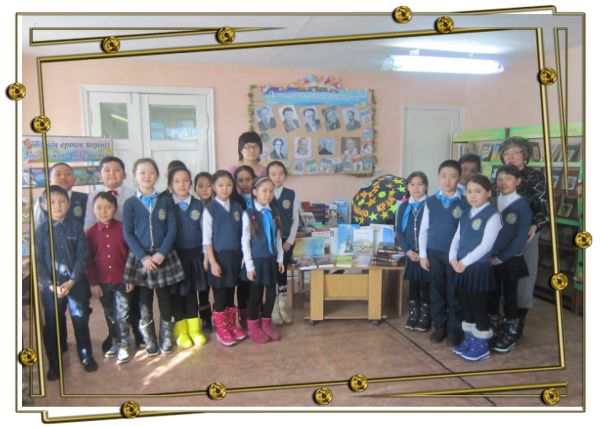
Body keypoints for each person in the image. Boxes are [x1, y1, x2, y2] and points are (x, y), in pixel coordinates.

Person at [122, 158, 185, 356]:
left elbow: (172, 228)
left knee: (165, 297)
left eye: (151, 172)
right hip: (141, 259)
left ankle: (166, 335)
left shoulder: (165, 201)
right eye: (142, 172)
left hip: (162, 257)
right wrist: (143, 257)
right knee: (144, 300)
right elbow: (128, 233)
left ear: (157, 176)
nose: (147, 176)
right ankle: (149, 338)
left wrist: (162, 252)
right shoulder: (130, 204)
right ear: (135, 176)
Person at [36, 186, 97, 381]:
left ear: (69, 204)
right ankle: (54, 364)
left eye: (62, 201)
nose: (57, 206)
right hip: (51, 288)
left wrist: (71, 282)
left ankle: (86, 356)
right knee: (52, 325)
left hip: (76, 284)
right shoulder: (40, 231)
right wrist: (50, 285)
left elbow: (82, 256)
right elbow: (38, 261)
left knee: (80, 321)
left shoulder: (76, 227)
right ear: (44, 205)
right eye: (52, 202)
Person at [82, 155, 142, 353]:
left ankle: (137, 333)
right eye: (106, 170)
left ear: (124, 174)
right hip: (104, 256)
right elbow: (89, 224)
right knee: (111, 307)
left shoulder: (133, 194)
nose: (111, 173)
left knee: (131, 302)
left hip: (126, 253)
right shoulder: (93, 197)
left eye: (116, 170)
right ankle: (115, 335)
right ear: (100, 174)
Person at [497, 136, 548, 337]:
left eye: (515, 152)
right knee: (502, 275)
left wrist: (535, 225)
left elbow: (543, 208)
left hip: (526, 234)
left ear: (525, 155)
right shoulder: (499, 174)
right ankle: (505, 316)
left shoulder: (535, 176)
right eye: (506, 153)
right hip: (502, 234)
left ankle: (518, 321)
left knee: (523, 277)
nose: (510, 156)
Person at [449, 175, 502, 361]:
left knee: (479, 308)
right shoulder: (466, 213)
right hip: (461, 268)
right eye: (469, 191)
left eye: (478, 191)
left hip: (478, 269)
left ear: (488, 193)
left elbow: (486, 246)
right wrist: (452, 258)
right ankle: (470, 340)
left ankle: (482, 346)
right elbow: (457, 237)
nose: (472, 196)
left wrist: (463, 262)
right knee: (467, 307)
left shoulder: (493, 215)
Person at [418, 160, 468, 346]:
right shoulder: (430, 201)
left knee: (454, 293)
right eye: (444, 176)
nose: (447, 181)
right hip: (434, 253)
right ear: (438, 178)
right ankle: (439, 327)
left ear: (459, 178)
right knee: (437, 291)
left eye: (453, 176)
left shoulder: (465, 202)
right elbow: (424, 229)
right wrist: (423, 255)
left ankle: (455, 330)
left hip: (455, 256)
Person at [85, 191, 132, 364]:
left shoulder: (123, 229)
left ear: (115, 209)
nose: (104, 211)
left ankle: (124, 345)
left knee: (122, 314)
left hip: (122, 280)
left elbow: (131, 255)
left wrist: (130, 278)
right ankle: (115, 341)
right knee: (110, 314)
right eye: (99, 207)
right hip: (102, 282)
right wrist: (93, 283)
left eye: (108, 207)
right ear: (93, 209)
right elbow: (88, 260)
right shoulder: (90, 233)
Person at [490, 165, 532, 353]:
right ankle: (492, 327)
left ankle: (511, 331)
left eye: (508, 178)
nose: (503, 182)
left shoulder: (522, 205)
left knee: (509, 296)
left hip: (510, 260)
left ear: (518, 181)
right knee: (492, 293)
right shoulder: (492, 201)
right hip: (490, 259)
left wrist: (502, 258)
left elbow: (520, 238)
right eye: (500, 179)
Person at [202, 170, 247, 346]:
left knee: (231, 293)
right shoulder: (210, 209)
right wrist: (212, 262)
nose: (225, 188)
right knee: (220, 295)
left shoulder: (237, 207)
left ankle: (231, 326)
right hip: (219, 258)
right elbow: (207, 240)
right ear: (214, 187)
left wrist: (244, 256)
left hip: (235, 257)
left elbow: (244, 234)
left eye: (228, 185)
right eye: (220, 185)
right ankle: (222, 330)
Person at [168, 166, 209, 348]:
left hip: (194, 256)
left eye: (185, 180)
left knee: (192, 293)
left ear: (191, 183)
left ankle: (194, 329)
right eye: (177, 181)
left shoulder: (199, 204)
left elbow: (205, 233)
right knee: (177, 294)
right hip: (174, 257)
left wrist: (205, 256)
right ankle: (181, 331)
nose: (181, 184)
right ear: (170, 185)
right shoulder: (167, 204)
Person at [241, 177, 285, 343]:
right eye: (264, 191)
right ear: (255, 192)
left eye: (271, 191)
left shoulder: (273, 212)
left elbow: (278, 237)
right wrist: (249, 266)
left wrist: (280, 258)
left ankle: (266, 324)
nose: (268, 194)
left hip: (271, 260)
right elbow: (245, 241)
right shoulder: (249, 214)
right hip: (256, 261)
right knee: (255, 295)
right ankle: (254, 327)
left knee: (272, 293)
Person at [395, 171, 431, 332]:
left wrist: (425, 253)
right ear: (408, 187)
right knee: (413, 284)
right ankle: (413, 313)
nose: (416, 187)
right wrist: (407, 250)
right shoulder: (403, 206)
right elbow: (399, 230)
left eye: (420, 184)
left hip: (427, 254)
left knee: (427, 285)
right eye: (412, 184)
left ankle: (426, 315)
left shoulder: (431, 204)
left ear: (426, 187)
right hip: (411, 253)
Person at [268, 161, 300, 325]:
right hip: (270, 243)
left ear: (285, 176)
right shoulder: (265, 194)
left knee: (282, 273)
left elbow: (295, 220)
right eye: (273, 174)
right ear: (268, 176)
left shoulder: (291, 194)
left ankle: (282, 307)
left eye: (280, 174)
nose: (277, 177)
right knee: (272, 273)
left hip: (286, 241)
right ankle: (273, 308)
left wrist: (290, 241)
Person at [34, 162, 88, 229]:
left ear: (74, 178)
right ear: (50, 179)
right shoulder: (42, 200)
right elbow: (36, 225)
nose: (63, 177)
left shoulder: (85, 198)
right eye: (58, 174)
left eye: (68, 174)